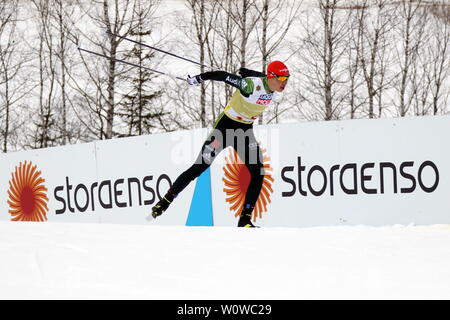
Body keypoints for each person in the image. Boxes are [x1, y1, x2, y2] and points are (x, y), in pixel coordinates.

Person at [150, 61, 290, 227]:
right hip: (224, 129)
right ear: (272, 77)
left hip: (244, 131)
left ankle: (245, 220)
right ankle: (165, 201)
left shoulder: (270, 85)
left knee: (258, 172)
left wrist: (247, 71)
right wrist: (198, 79)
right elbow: (222, 75)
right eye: (281, 78)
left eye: (287, 78)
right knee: (199, 167)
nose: (284, 83)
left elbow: (262, 76)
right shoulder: (249, 86)